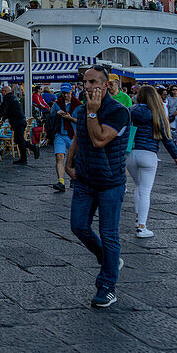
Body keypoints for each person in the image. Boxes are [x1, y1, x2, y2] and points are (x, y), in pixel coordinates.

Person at [64, 65, 130, 308]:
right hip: (85, 179)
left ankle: (107, 287)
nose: (88, 86)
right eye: (85, 82)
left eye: (93, 82)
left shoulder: (118, 112)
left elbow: (99, 139)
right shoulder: (82, 110)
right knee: (78, 226)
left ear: (106, 85)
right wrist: (69, 162)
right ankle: (109, 260)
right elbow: (79, 137)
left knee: (109, 233)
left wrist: (93, 113)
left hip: (110, 182)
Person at [127, 85, 177, 238]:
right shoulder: (157, 113)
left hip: (131, 153)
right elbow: (167, 138)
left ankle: (138, 217)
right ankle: (142, 227)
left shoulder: (131, 111)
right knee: (145, 190)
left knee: (137, 187)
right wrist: (176, 157)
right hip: (149, 154)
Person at [48, 84, 80, 192]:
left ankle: (74, 178)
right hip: (60, 134)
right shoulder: (57, 104)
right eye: (64, 93)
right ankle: (61, 182)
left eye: (67, 93)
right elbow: (50, 119)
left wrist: (70, 118)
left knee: (74, 158)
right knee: (59, 157)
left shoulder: (78, 105)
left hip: (73, 135)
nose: (65, 95)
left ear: (71, 91)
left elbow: (82, 121)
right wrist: (56, 114)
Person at [0, 84, 37, 164]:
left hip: (17, 121)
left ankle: (28, 154)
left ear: (5, 92)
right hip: (21, 120)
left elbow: (3, 110)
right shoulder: (13, 97)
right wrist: (3, 118)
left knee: (20, 140)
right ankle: (26, 155)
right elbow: (9, 111)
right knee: (18, 140)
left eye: (2, 91)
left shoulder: (7, 98)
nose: (1, 93)